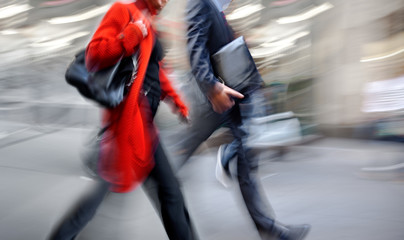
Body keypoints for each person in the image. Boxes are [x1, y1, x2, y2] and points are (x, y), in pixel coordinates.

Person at [48, 0, 197, 239]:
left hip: (144, 124)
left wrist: (177, 103)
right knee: (110, 193)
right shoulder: (123, 11)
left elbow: (153, 70)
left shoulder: (150, 20)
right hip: (126, 123)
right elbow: (95, 54)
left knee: (168, 192)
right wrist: (130, 36)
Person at [184, 0, 311, 239]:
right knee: (178, 152)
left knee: (245, 165)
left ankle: (267, 227)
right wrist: (211, 87)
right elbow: (195, 46)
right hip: (214, 101)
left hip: (231, 100)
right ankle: (145, 174)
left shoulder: (218, 10)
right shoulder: (200, 3)